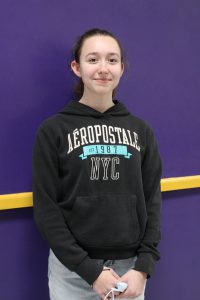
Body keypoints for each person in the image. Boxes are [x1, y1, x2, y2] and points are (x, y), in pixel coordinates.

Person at [32, 28, 162, 300]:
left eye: (112, 60)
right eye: (93, 59)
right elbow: (46, 209)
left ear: (122, 68)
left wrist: (144, 267)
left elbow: (152, 201)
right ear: (76, 67)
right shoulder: (53, 129)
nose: (103, 68)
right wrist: (89, 271)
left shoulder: (141, 130)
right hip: (73, 272)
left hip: (130, 270)